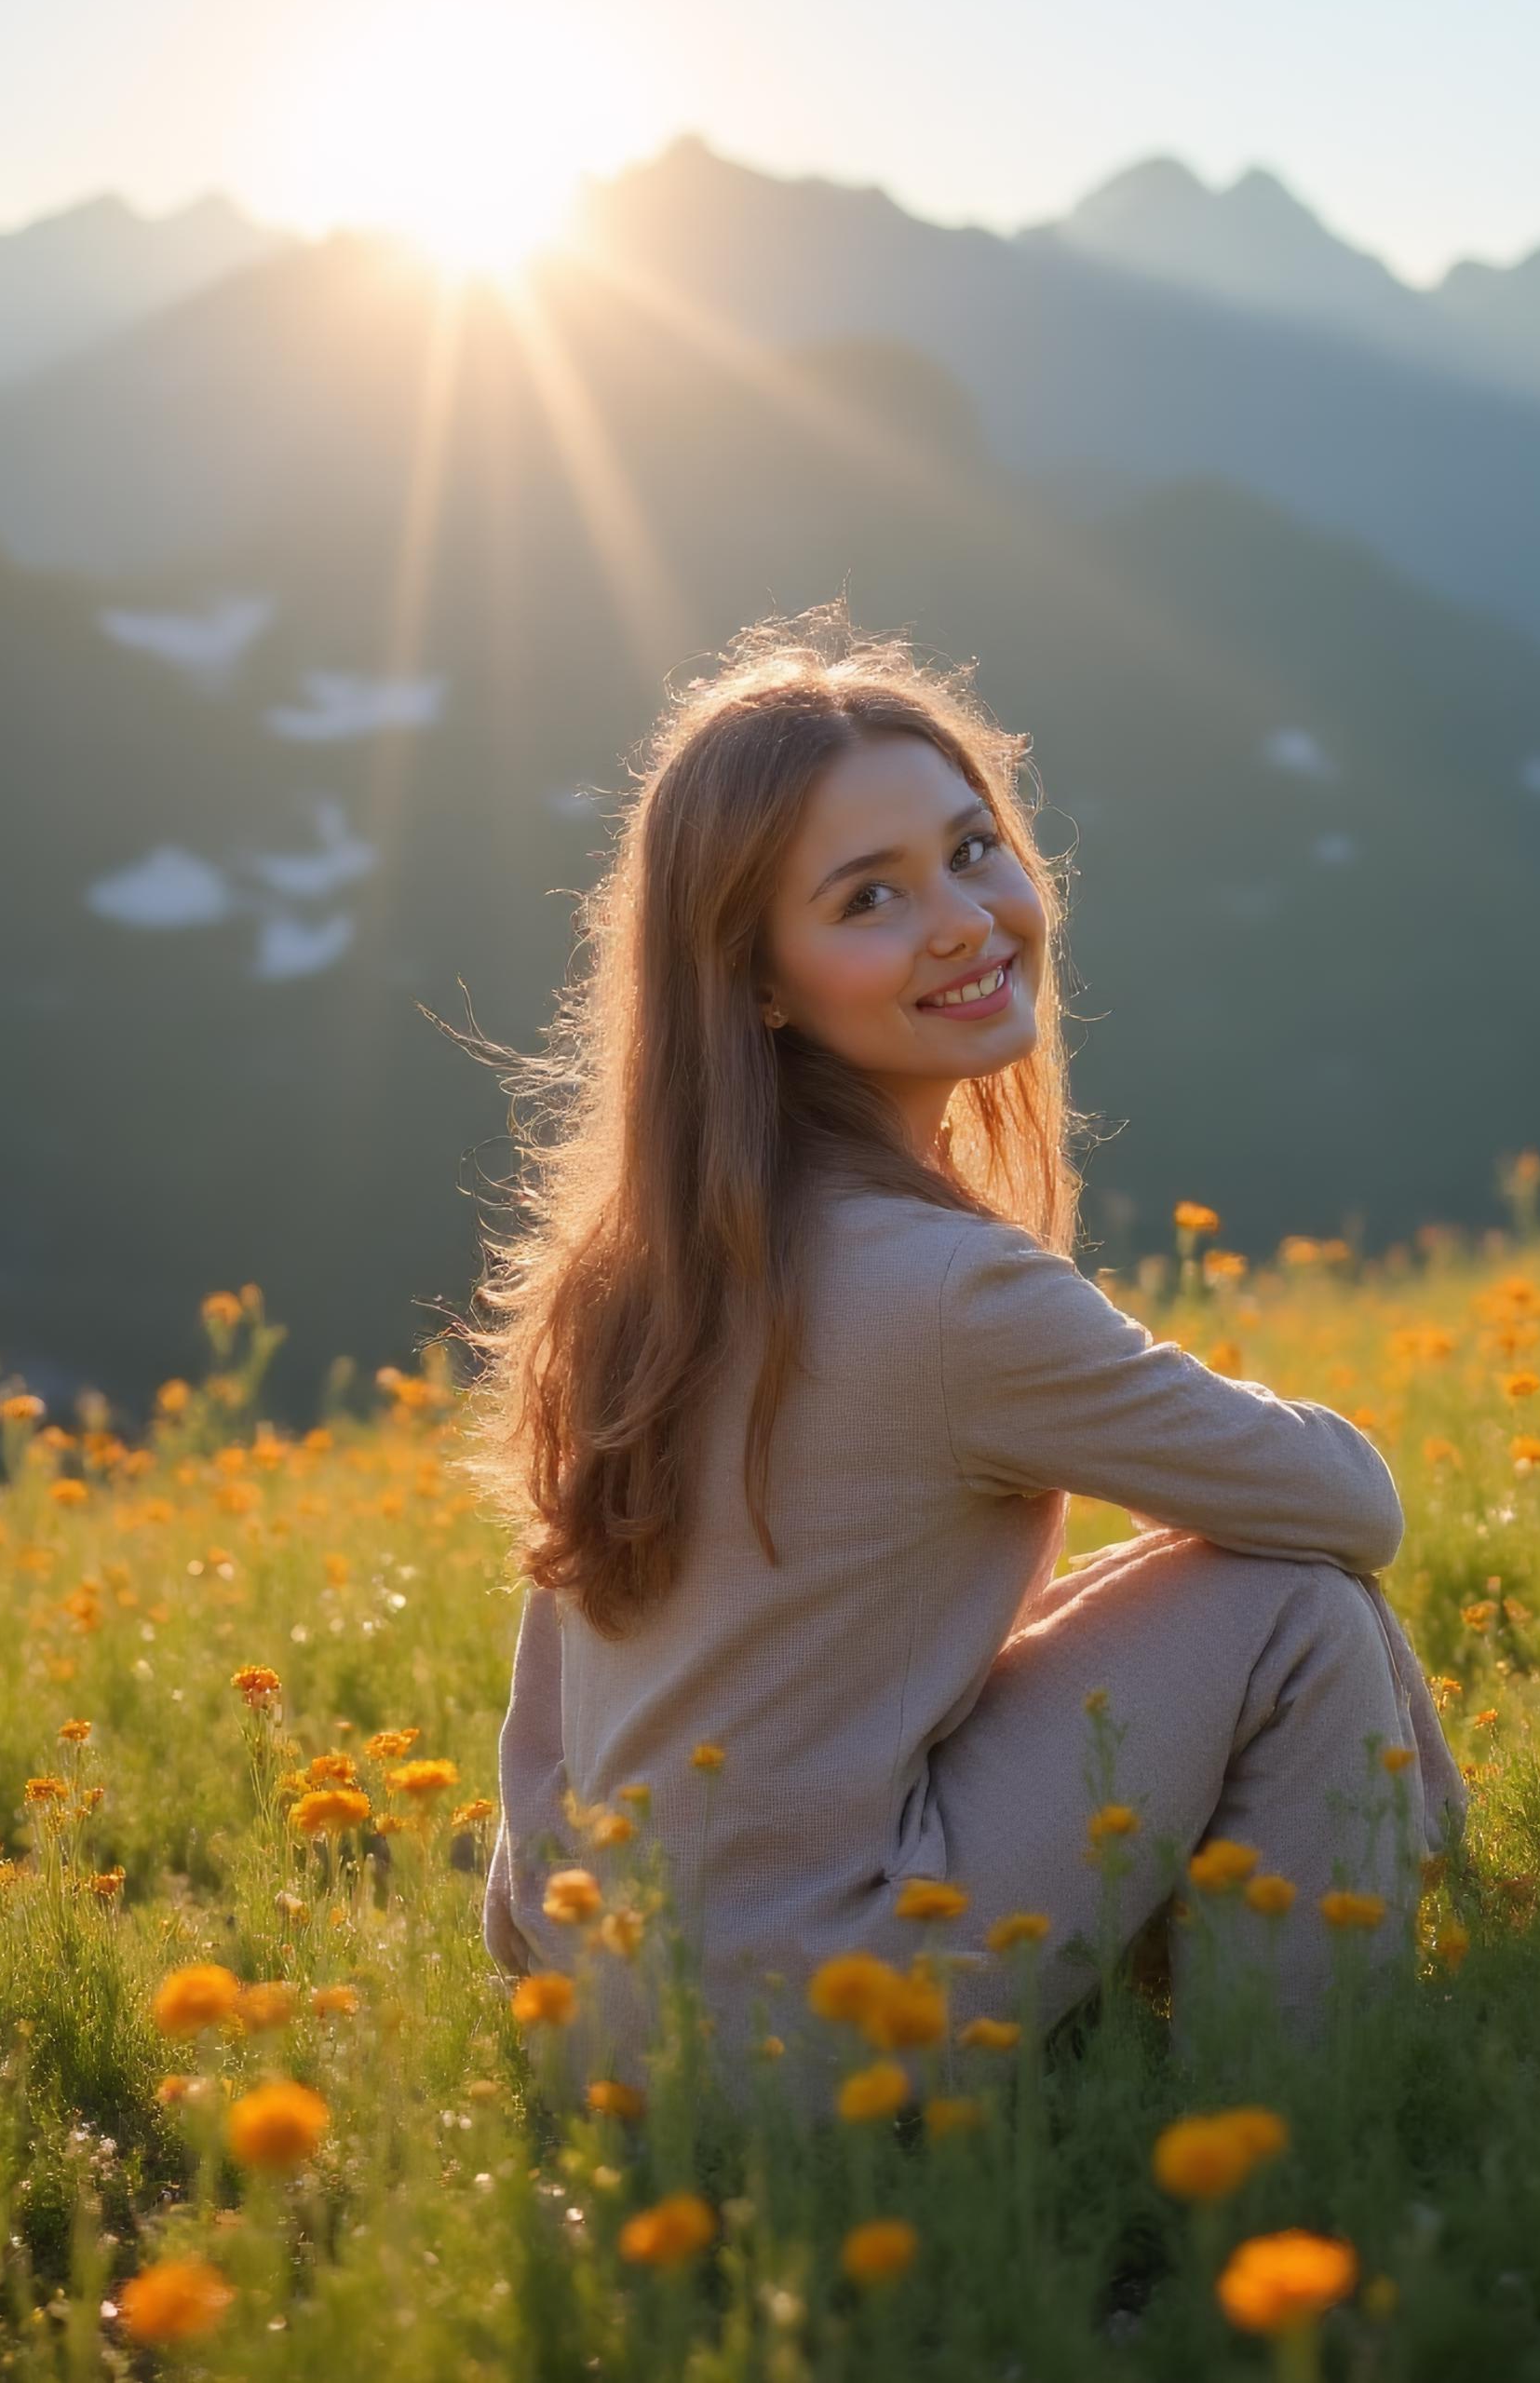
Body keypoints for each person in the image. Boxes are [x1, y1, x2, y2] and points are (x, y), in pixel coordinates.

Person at [460, 604, 1465, 2113]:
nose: (964, 919)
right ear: (758, 981)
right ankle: (1296, 2109)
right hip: (824, 2033)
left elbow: (559, 1710)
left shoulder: (640, 1266)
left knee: (1176, 1597)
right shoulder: (943, 1289)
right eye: (872, 897)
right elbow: (1351, 1503)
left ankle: (1188, 1995)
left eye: (973, 848)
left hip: (613, 2006)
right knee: (1294, 1607)